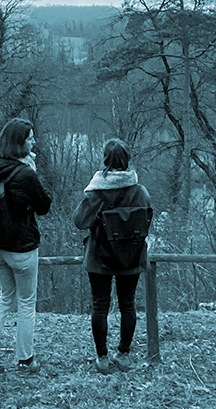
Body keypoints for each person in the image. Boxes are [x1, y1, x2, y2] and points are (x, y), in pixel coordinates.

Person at [0, 118, 53, 379]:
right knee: (27, 304)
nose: (34, 142)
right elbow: (44, 206)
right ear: (19, 144)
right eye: (30, 138)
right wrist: (33, 171)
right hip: (23, 248)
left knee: (5, 299)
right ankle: (26, 361)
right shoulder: (25, 174)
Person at [73, 138, 153, 374]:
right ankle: (124, 355)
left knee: (100, 306)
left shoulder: (96, 192)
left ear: (104, 160)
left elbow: (79, 222)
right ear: (127, 160)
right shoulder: (140, 191)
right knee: (128, 305)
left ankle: (103, 359)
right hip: (131, 257)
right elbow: (148, 219)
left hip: (100, 257)